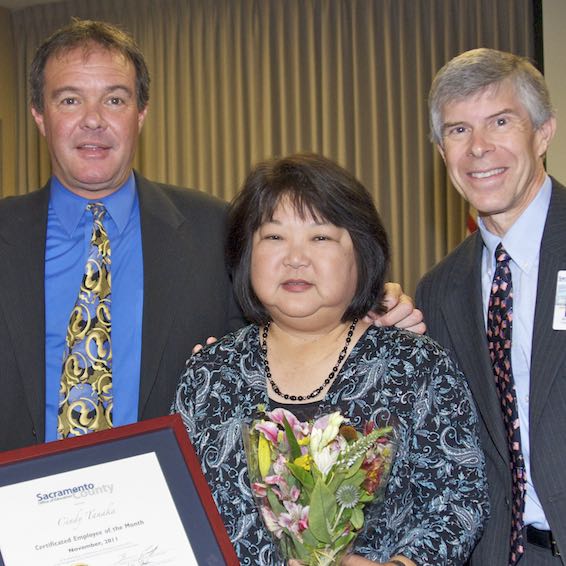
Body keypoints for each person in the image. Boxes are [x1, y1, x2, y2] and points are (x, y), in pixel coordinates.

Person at [0, 19, 422, 452]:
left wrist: (365, 314)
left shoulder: (217, 228)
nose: (94, 121)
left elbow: (291, 329)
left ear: (141, 114)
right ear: (39, 115)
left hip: (175, 506)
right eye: (70, 100)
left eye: (115, 99)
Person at [174, 153, 489, 565]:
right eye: (273, 237)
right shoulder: (209, 375)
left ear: (361, 251)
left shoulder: (413, 366)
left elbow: (458, 497)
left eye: (320, 237)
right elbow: (177, 509)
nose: (295, 258)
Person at [416, 48, 566, 565]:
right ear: (442, 152)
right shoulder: (439, 290)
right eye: (458, 131)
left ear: (543, 132)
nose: (478, 148)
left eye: (500, 122)